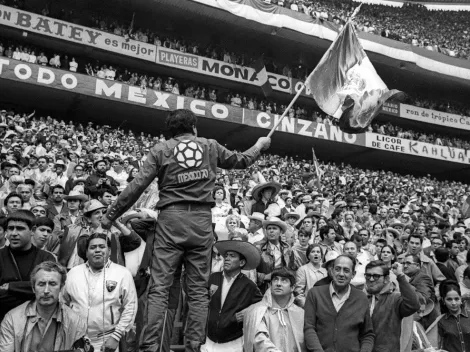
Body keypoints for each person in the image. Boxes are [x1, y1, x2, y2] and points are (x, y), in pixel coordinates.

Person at [102, 109, 270, 351]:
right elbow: (241, 160)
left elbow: (137, 186)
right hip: (201, 221)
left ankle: (149, 347)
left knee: (159, 288)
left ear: (171, 130)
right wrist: (259, 145)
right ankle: (193, 346)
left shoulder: (161, 149)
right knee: (198, 291)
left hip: (171, 219)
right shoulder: (210, 145)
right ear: (194, 128)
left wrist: (110, 217)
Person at [63, 233, 138, 352]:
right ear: (86, 252)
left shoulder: (122, 273)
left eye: (101, 247)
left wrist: (116, 336)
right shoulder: (73, 273)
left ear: (108, 250)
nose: (97, 250)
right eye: (92, 247)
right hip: (75, 340)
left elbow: (131, 307)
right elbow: (62, 302)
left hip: (107, 340)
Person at [0, 261, 89, 352]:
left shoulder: (76, 322)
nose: (46, 290)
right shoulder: (12, 319)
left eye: (52, 284)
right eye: (41, 284)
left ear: (61, 288)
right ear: (33, 288)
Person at [304, 255, 375, 352]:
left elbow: (367, 334)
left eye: (346, 270)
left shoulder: (361, 298)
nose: (341, 274)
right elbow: (309, 328)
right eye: (337, 269)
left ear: (353, 274)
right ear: (332, 271)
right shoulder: (315, 294)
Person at [203, 240, 262, 352]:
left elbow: (262, 305)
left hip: (233, 341)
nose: (227, 258)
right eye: (226, 256)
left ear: (241, 263)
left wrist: (248, 312)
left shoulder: (249, 285)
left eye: (232, 256)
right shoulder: (212, 278)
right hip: (208, 338)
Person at [0, 210, 56, 321]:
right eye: (11, 228)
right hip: (3, 322)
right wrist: (31, 290)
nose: (14, 233)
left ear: (32, 230)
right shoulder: (0, 256)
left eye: (20, 228)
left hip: (38, 322)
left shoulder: (46, 258)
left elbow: (48, 288)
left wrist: (10, 287)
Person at [243, 268, 306, 352]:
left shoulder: (300, 313)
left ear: (292, 287)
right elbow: (259, 342)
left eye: (284, 280)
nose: (278, 284)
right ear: (270, 285)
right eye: (275, 280)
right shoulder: (255, 311)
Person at [365, 261, 420, 352]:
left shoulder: (395, 299)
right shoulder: (359, 298)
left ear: (386, 279)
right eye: (368, 275)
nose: (371, 279)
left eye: (376, 276)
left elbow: (413, 305)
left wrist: (400, 276)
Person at [403, 254, 439, 330]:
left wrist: (420, 313)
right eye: (404, 263)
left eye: (408, 263)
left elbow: (423, 299)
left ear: (418, 266)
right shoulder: (410, 278)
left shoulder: (423, 277)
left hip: (423, 321)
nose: (405, 266)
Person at [435, 280, 470, 352]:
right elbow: (438, 346)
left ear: (461, 299)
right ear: (443, 300)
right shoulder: (441, 321)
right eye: (449, 299)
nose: (453, 303)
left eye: (456, 299)